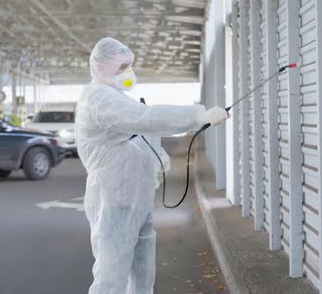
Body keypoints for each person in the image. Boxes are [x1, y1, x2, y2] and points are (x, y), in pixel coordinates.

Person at [75, 37, 229, 294]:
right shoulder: (99, 99)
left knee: (142, 271)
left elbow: (136, 136)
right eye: (121, 66)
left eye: (129, 65)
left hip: (136, 197)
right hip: (114, 199)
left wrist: (158, 158)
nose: (128, 72)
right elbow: (144, 119)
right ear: (100, 68)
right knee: (111, 276)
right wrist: (198, 116)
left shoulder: (116, 97)